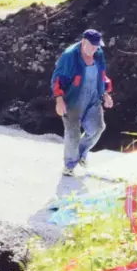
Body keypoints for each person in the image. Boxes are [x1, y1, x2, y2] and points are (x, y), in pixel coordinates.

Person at [50, 28, 114, 176]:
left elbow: (101, 75)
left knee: (98, 128)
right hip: (73, 99)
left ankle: (81, 153)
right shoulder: (69, 56)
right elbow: (57, 79)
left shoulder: (98, 54)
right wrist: (59, 100)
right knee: (73, 134)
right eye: (92, 46)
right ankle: (70, 165)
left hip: (93, 97)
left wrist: (105, 94)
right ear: (84, 41)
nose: (94, 49)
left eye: (97, 46)